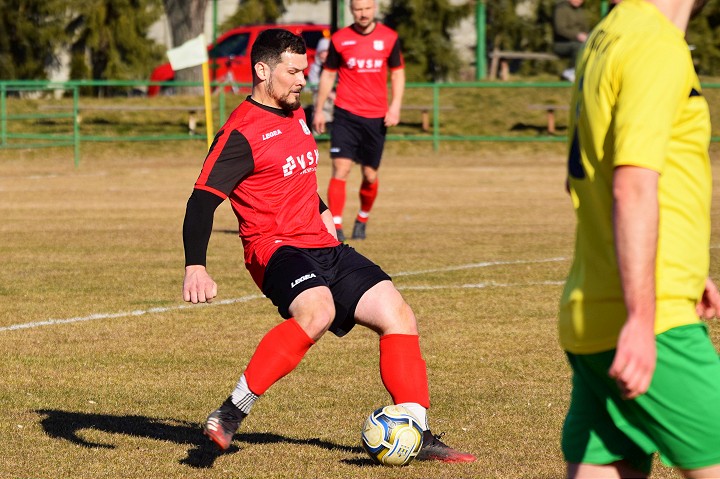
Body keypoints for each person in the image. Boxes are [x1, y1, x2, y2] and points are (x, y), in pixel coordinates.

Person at [181, 28, 475, 464]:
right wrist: (195, 266)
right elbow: (201, 201)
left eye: (306, 71)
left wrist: (324, 218)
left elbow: (296, 178)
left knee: (398, 314)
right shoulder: (240, 133)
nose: (303, 79)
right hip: (275, 247)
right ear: (262, 71)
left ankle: (416, 428)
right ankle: (230, 413)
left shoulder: (295, 113)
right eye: (294, 71)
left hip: (323, 244)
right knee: (317, 312)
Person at [559, 0, 720, 477]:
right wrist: (642, 314)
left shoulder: (606, 37)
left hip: (593, 312)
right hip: (653, 324)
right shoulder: (655, 44)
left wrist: (688, 266)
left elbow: (584, 177)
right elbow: (630, 185)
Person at [312, 0, 405, 241]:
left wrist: (395, 106)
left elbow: (397, 73)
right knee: (340, 168)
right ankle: (337, 227)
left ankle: (362, 218)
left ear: (374, 8)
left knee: (370, 174)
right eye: (358, 10)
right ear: (351, 11)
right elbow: (328, 74)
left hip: (376, 117)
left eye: (367, 9)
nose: (363, 14)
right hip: (345, 113)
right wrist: (319, 109)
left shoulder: (389, 37)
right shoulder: (340, 39)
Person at [552, 0, 589, 82]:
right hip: (561, 44)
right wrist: (577, 35)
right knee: (578, 47)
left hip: (579, 43)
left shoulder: (580, 11)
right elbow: (560, 29)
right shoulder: (561, 9)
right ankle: (570, 72)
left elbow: (585, 28)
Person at [307, 37, 335, 125]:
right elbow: (314, 84)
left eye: (326, 52)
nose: (324, 55)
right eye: (322, 52)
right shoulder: (315, 67)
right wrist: (329, 94)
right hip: (321, 98)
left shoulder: (335, 66)